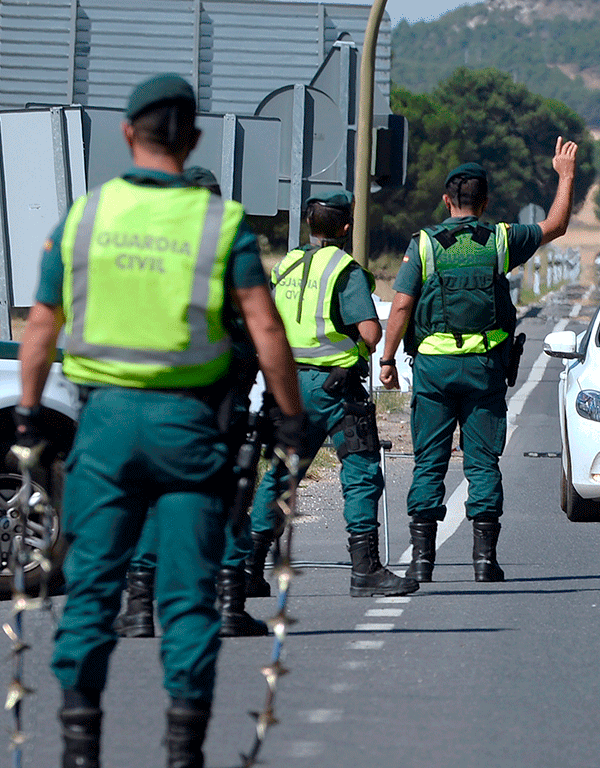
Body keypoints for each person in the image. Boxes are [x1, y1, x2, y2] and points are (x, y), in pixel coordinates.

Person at [14, 73, 305, 768]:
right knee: (188, 599)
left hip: (105, 426)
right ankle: (183, 752)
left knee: (90, 592)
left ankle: (80, 747)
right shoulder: (221, 223)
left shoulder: (84, 217)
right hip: (189, 427)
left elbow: (41, 326)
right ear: (194, 139)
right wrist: (290, 420)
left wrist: (27, 415)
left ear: (127, 135)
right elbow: (265, 329)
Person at [379, 138, 578, 583]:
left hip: (432, 370)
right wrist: (564, 175)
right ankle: (485, 561)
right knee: (483, 462)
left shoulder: (426, 244)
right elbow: (557, 224)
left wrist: (388, 358)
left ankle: (422, 562)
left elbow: (401, 306)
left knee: (429, 462)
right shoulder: (501, 240)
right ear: (485, 202)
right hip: (485, 369)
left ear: (446, 200)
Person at [112, 166, 270, 640]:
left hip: (154, 401)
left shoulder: (154, 254)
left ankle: (139, 608)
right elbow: (260, 329)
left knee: (153, 502)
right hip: (220, 405)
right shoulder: (231, 252)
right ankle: (228, 606)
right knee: (228, 501)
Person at [240, 190, 418, 598]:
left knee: (283, 473)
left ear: (308, 224)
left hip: (287, 385)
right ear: (346, 228)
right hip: (335, 389)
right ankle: (365, 569)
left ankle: (250, 567)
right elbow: (371, 333)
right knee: (360, 473)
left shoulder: (284, 265)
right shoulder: (345, 269)